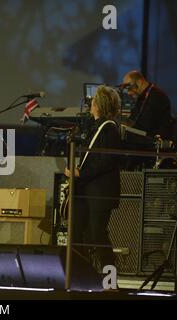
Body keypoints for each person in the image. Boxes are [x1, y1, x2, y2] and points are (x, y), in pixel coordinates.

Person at [65, 85, 121, 271]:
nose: (91, 103)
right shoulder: (95, 128)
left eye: (94, 100)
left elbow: (106, 161)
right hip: (88, 190)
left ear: (100, 104)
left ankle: (110, 280)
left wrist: (81, 173)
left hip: (100, 192)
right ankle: (81, 275)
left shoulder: (109, 129)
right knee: (81, 234)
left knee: (98, 235)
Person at [122, 70, 173, 140]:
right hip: (143, 139)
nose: (128, 93)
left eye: (129, 88)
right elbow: (133, 119)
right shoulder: (142, 97)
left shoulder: (157, 96)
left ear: (139, 82)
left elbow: (145, 126)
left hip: (152, 144)